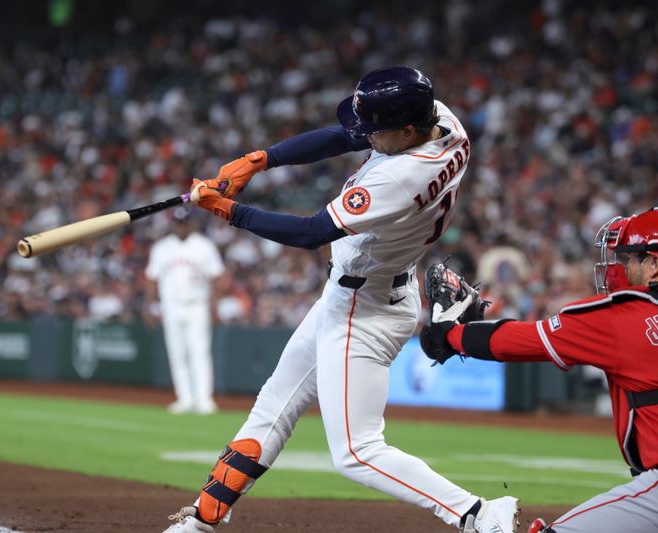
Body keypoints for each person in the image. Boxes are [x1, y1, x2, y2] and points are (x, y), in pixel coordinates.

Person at [163, 66, 520, 533]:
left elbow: (312, 232)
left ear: (409, 130)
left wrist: (230, 211)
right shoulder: (443, 123)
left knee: (357, 452)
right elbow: (342, 136)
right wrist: (260, 159)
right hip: (356, 293)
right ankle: (202, 521)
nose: (367, 136)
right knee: (272, 408)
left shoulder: (403, 177)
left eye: (378, 129)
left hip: (365, 309)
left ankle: (478, 513)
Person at [420, 207, 658, 533]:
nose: (619, 269)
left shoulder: (627, 317)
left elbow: (524, 341)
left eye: (628, 259)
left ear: (654, 264)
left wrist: (451, 334)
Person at [145, 207, 224, 415]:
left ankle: (204, 399)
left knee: (199, 352)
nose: (182, 226)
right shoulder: (161, 248)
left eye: (185, 222)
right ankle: (184, 398)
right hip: (170, 305)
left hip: (198, 305)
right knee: (177, 353)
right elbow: (153, 279)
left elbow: (214, 278)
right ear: (173, 224)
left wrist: (215, 307)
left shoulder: (204, 246)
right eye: (178, 223)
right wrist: (149, 306)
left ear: (192, 224)